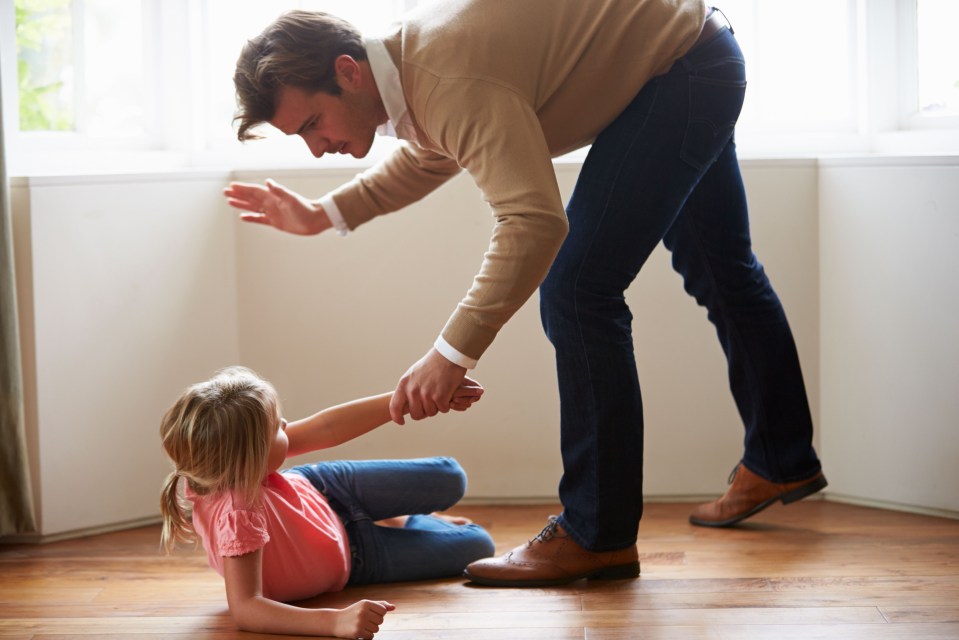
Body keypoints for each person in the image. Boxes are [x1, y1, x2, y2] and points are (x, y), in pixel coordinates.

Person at [222, 0, 827, 588]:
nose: (314, 146)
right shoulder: (411, 68)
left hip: (679, 69)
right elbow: (435, 153)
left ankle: (597, 533)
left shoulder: (443, 75)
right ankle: (781, 458)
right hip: (694, 55)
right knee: (722, 270)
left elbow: (534, 222)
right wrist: (326, 213)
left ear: (346, 72)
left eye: (310, 125)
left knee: (576, 289)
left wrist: (451, 353)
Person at [159, 366, 494, 638]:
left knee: (451, 475)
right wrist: (334, 622)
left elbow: (327, 427)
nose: (287, 425)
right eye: (278, 426)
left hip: (325, 489)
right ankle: (399, 519)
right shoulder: (236, 516)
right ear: (251, 457)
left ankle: (396, 517)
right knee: (477, 543)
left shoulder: (229, 463)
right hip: (356, 555)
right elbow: (246, 608)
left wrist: (407, 398)